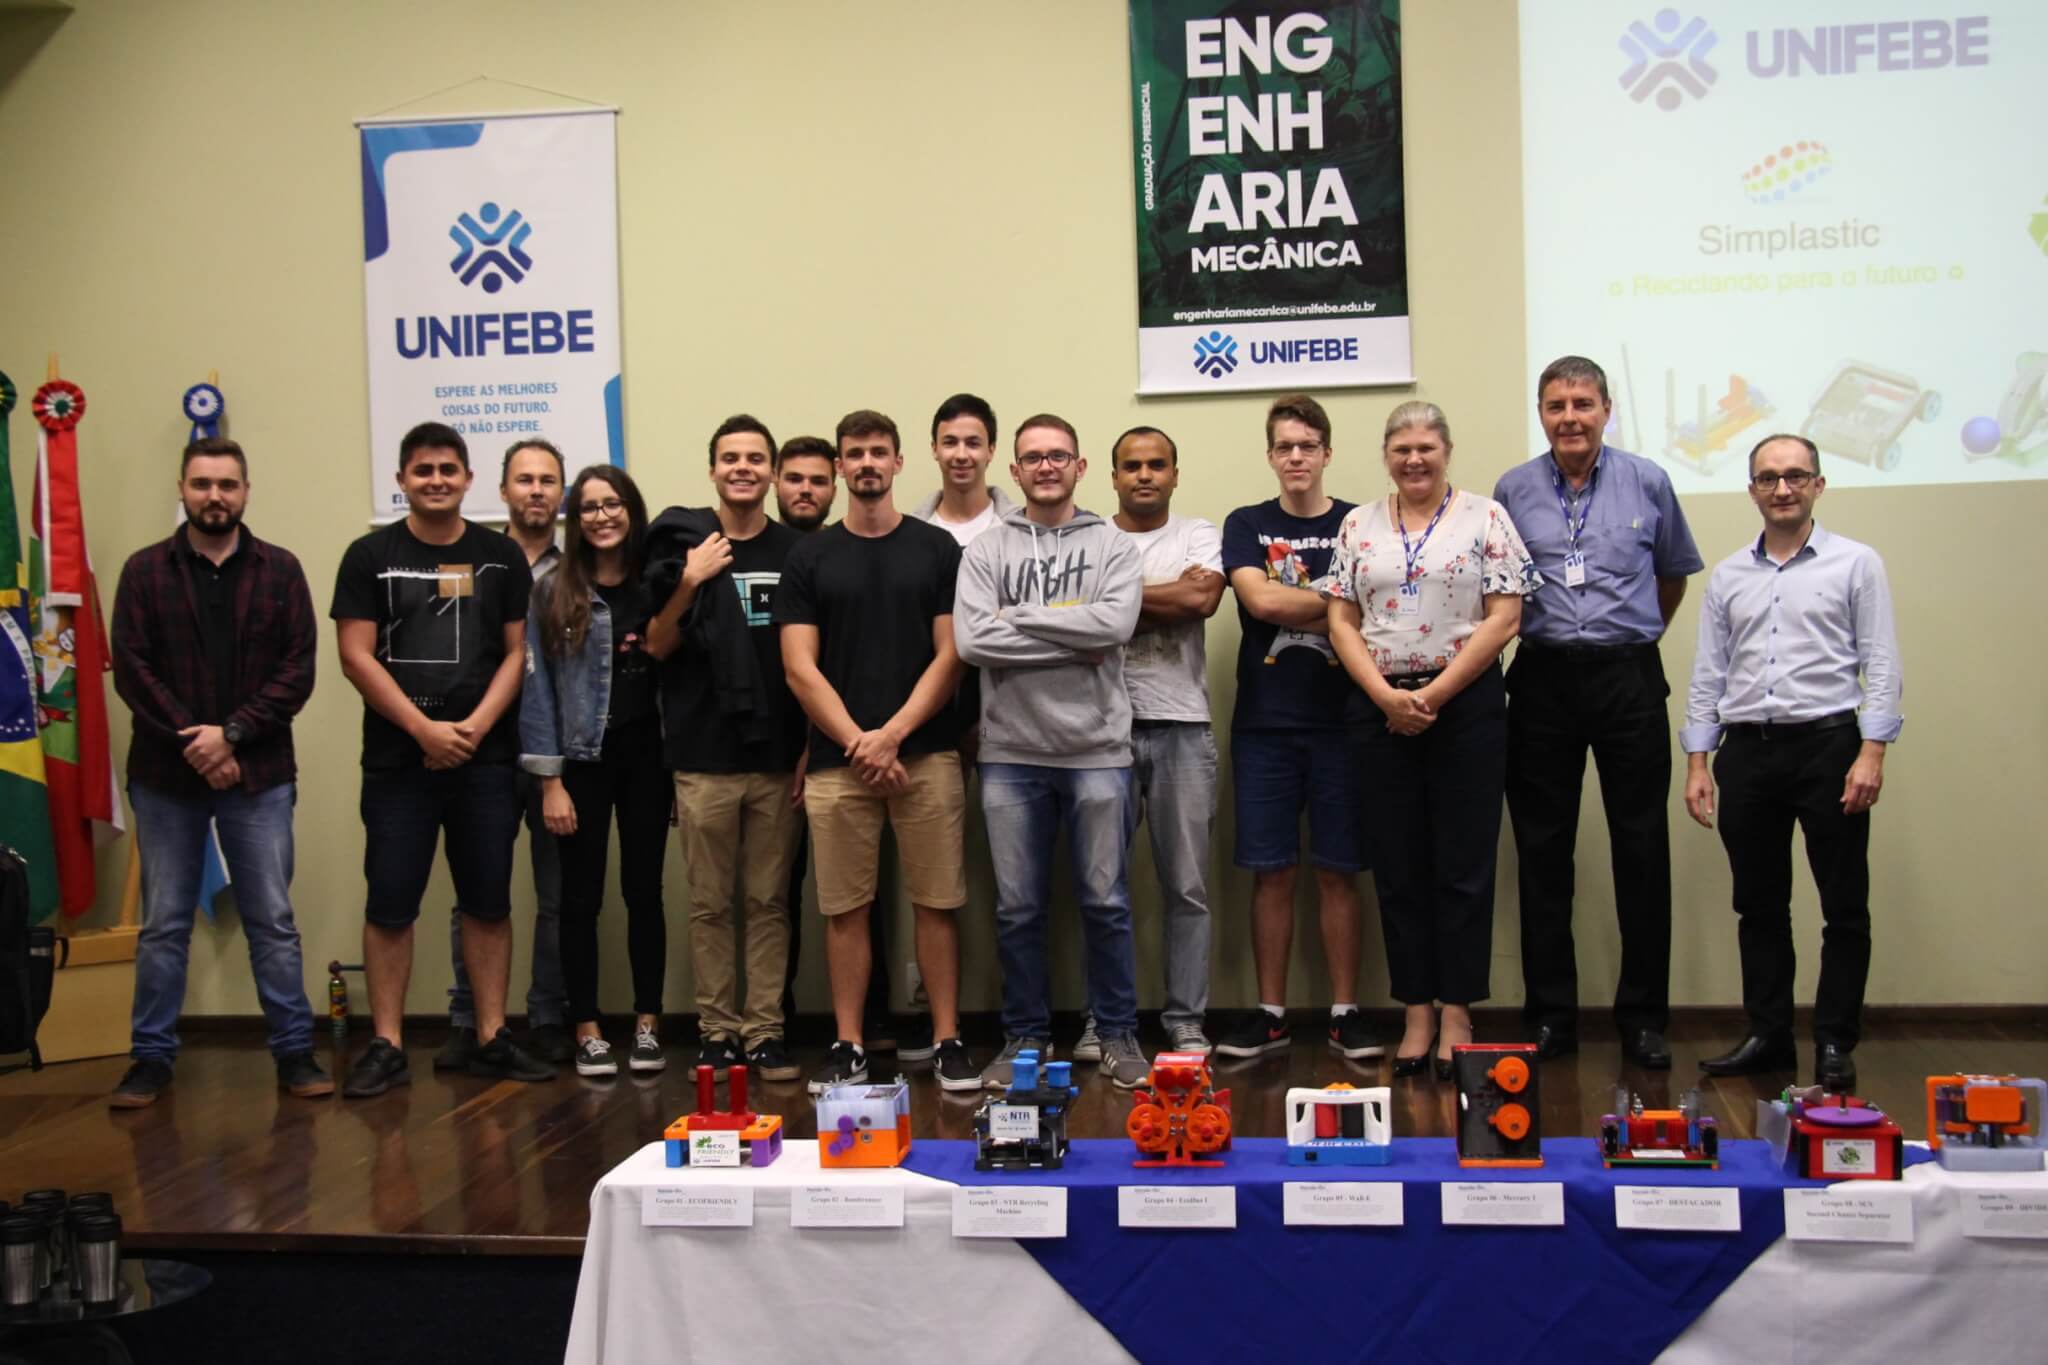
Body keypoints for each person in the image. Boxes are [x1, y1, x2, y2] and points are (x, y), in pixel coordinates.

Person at [1492, 355, 1704, 1069]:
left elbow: (1671, 577)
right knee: (1544, 852)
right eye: (1556, 405)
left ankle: (1644, 1019)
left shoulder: (1649, 480)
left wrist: (1629, 634)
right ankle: (1552, 1016)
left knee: (1641, 849)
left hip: (1627, 677)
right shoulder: (1513, 490)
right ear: (1543, 413)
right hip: (1543, 677)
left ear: (1607, 409)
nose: (1570, 417)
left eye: (1583, 403)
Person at [331, 421, 552, 1097]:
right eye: (422, 470)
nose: (436, 479)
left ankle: (491, 1035)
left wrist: (474, 728)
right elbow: (355, 654)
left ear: (467, 479)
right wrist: (425, 730)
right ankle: (388, 1043)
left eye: (448, 469)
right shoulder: (369, 556)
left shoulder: (499, 557)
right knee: (391, 902)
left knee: (488, 901)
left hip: (484, 762)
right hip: (400, 762)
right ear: (401, 480)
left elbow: (518, 652)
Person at [107, 437, 328, 1106]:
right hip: (166, 777)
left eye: (228, 484)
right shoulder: (144, 572)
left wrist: (229, 735)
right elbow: (133, 668)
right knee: (164, 925)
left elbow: (298, 670)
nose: (215, 496)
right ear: (182, 488)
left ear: (247, 491)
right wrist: (196, 742)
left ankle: (294, 1054)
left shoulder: (281, 570)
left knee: (272, 921)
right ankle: (150, 1059)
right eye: (202, 484)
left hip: (258, 775)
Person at [1326, 404, 1540, 1078]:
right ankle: (1416, 1008)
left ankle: (1457, 1010)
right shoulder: (1358, 523)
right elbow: (1340, 619)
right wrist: (1389, 697)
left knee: (1464, 864)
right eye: (1401, 448)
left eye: (1426, 447)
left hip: (1466, 704)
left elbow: (1505, 617)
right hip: (1379, 705)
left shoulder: (1486, 518)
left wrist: (1435, 695)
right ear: (1385, 452)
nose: (1414, 459)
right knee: (1399, 865)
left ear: (1447, 449)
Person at [1681, 434, 1901, 1090]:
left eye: (1796, 476)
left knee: (1844, 905)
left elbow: (1881, 660)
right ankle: (1769, 1034)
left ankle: (1835, 1040)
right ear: (1752, 489)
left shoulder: (1857, 564)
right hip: (1748, 751)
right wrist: (1698, 761)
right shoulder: (1728, 575)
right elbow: (1708, 673)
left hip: (1830, 747)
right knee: (1759, 904)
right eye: (1770, 478)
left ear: (1818, 485)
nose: (1783, 488)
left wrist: (1872, 750)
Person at [773, 409, 978, 1093]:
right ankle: (849, 1042)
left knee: (937, 901)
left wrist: (891, 735)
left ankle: (948, 1037)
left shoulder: (936, 549)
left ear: (898, 464)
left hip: (926, 756)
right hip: (839, 762)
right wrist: (860, 741)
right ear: (840, 466)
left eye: (878, 452)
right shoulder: (809, 557)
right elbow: (800, 667)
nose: (866, 463)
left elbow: (952, 655)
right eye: (854, 453)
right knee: (845, 908)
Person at [955, 413, 1147, 1088]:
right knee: (1018, 908)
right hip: (1011, 753)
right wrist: (1077, 633)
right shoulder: (985, 550)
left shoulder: (1114, 545)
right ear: (1014, 470)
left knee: (1107, 902)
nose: (1045, 466)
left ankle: (1118, 1033)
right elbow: (973, 643)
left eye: (1058, 456)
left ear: (1079, 466)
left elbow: (1117, 624)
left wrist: (1021, 617)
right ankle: (1024, 1040)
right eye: (1032, 457)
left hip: (1098, 751)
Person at [1215, 394, 1377, 1062]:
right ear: (1271, 455)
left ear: (1327, 453)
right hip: (1266, 726)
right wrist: (1341, 604)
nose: (1297, 456)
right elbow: (1259, 598)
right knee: (1272, 871)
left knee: (1341, 870)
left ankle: (1345, 1012)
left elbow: (1382, 602)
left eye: (1308, 445)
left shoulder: (1363, 523)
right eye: (1285, 446)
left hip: (1347, 722)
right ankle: (1271, 1013)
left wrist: (1337, 607)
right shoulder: (1246, 522)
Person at [644, 417, 803, 1083]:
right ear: (712, 469)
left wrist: (808, 750)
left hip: (778, 757)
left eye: (754, 458)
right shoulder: (683, 543)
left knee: (769, 900)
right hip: (703, 756)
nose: (742, 467)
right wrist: (691, 578)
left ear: (770, 472)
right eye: (730, 457)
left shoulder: (799, 551)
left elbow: (814, 659)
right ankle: (717, 1033)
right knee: (709, 903)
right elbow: (655, 644)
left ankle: (764, 1033)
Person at [521, 464, 672, 1078]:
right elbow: (540, 694)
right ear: (574, 519)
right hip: (581, 763)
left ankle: (647, 1024)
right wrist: (550, 780)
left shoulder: (658, 585)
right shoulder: (553, 589)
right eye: (588, 508)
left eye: (613, 505)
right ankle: (586, 1028)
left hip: (649, 762)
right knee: (579, 899)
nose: (602, 516)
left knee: (645, 893)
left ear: (631, 510)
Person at [445, 439, 570, 1070]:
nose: (536, 490)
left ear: (562, 494)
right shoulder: (475, 563)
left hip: (556, 758)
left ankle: (548, 1017)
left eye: (548, 480)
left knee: (555, 897)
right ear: (501, 491)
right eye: (524, 479)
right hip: (481, 751)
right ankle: (468, 1019)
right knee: (476, 892)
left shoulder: (572, 571)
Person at [1105, 425, 1224, 1056]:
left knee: (1186, 887)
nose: (1144, 475)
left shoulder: (1198, 535)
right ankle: (1108, 1021)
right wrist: (1160, 597)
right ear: (1113, 475)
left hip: (1183, 727)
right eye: (1132, 466)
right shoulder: (1091, 537)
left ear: (1175, 473)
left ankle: (1185, 1020)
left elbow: (1202, 597)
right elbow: (1074, 612)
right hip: (1104, 734)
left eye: (1157, 465)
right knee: (1104, 888)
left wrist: (1111, 603)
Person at [771, 435, 839, 1027]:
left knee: (859, 896)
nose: (806, 490)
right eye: (794, 478)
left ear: (835, 484)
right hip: (773, 753)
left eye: (818, 480)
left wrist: (818, 743)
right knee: (778, 895)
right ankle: (779, 1021)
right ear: (775, 481)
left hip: (841, 750)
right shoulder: (755, 550)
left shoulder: (847, 551)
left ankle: (867, 1020)